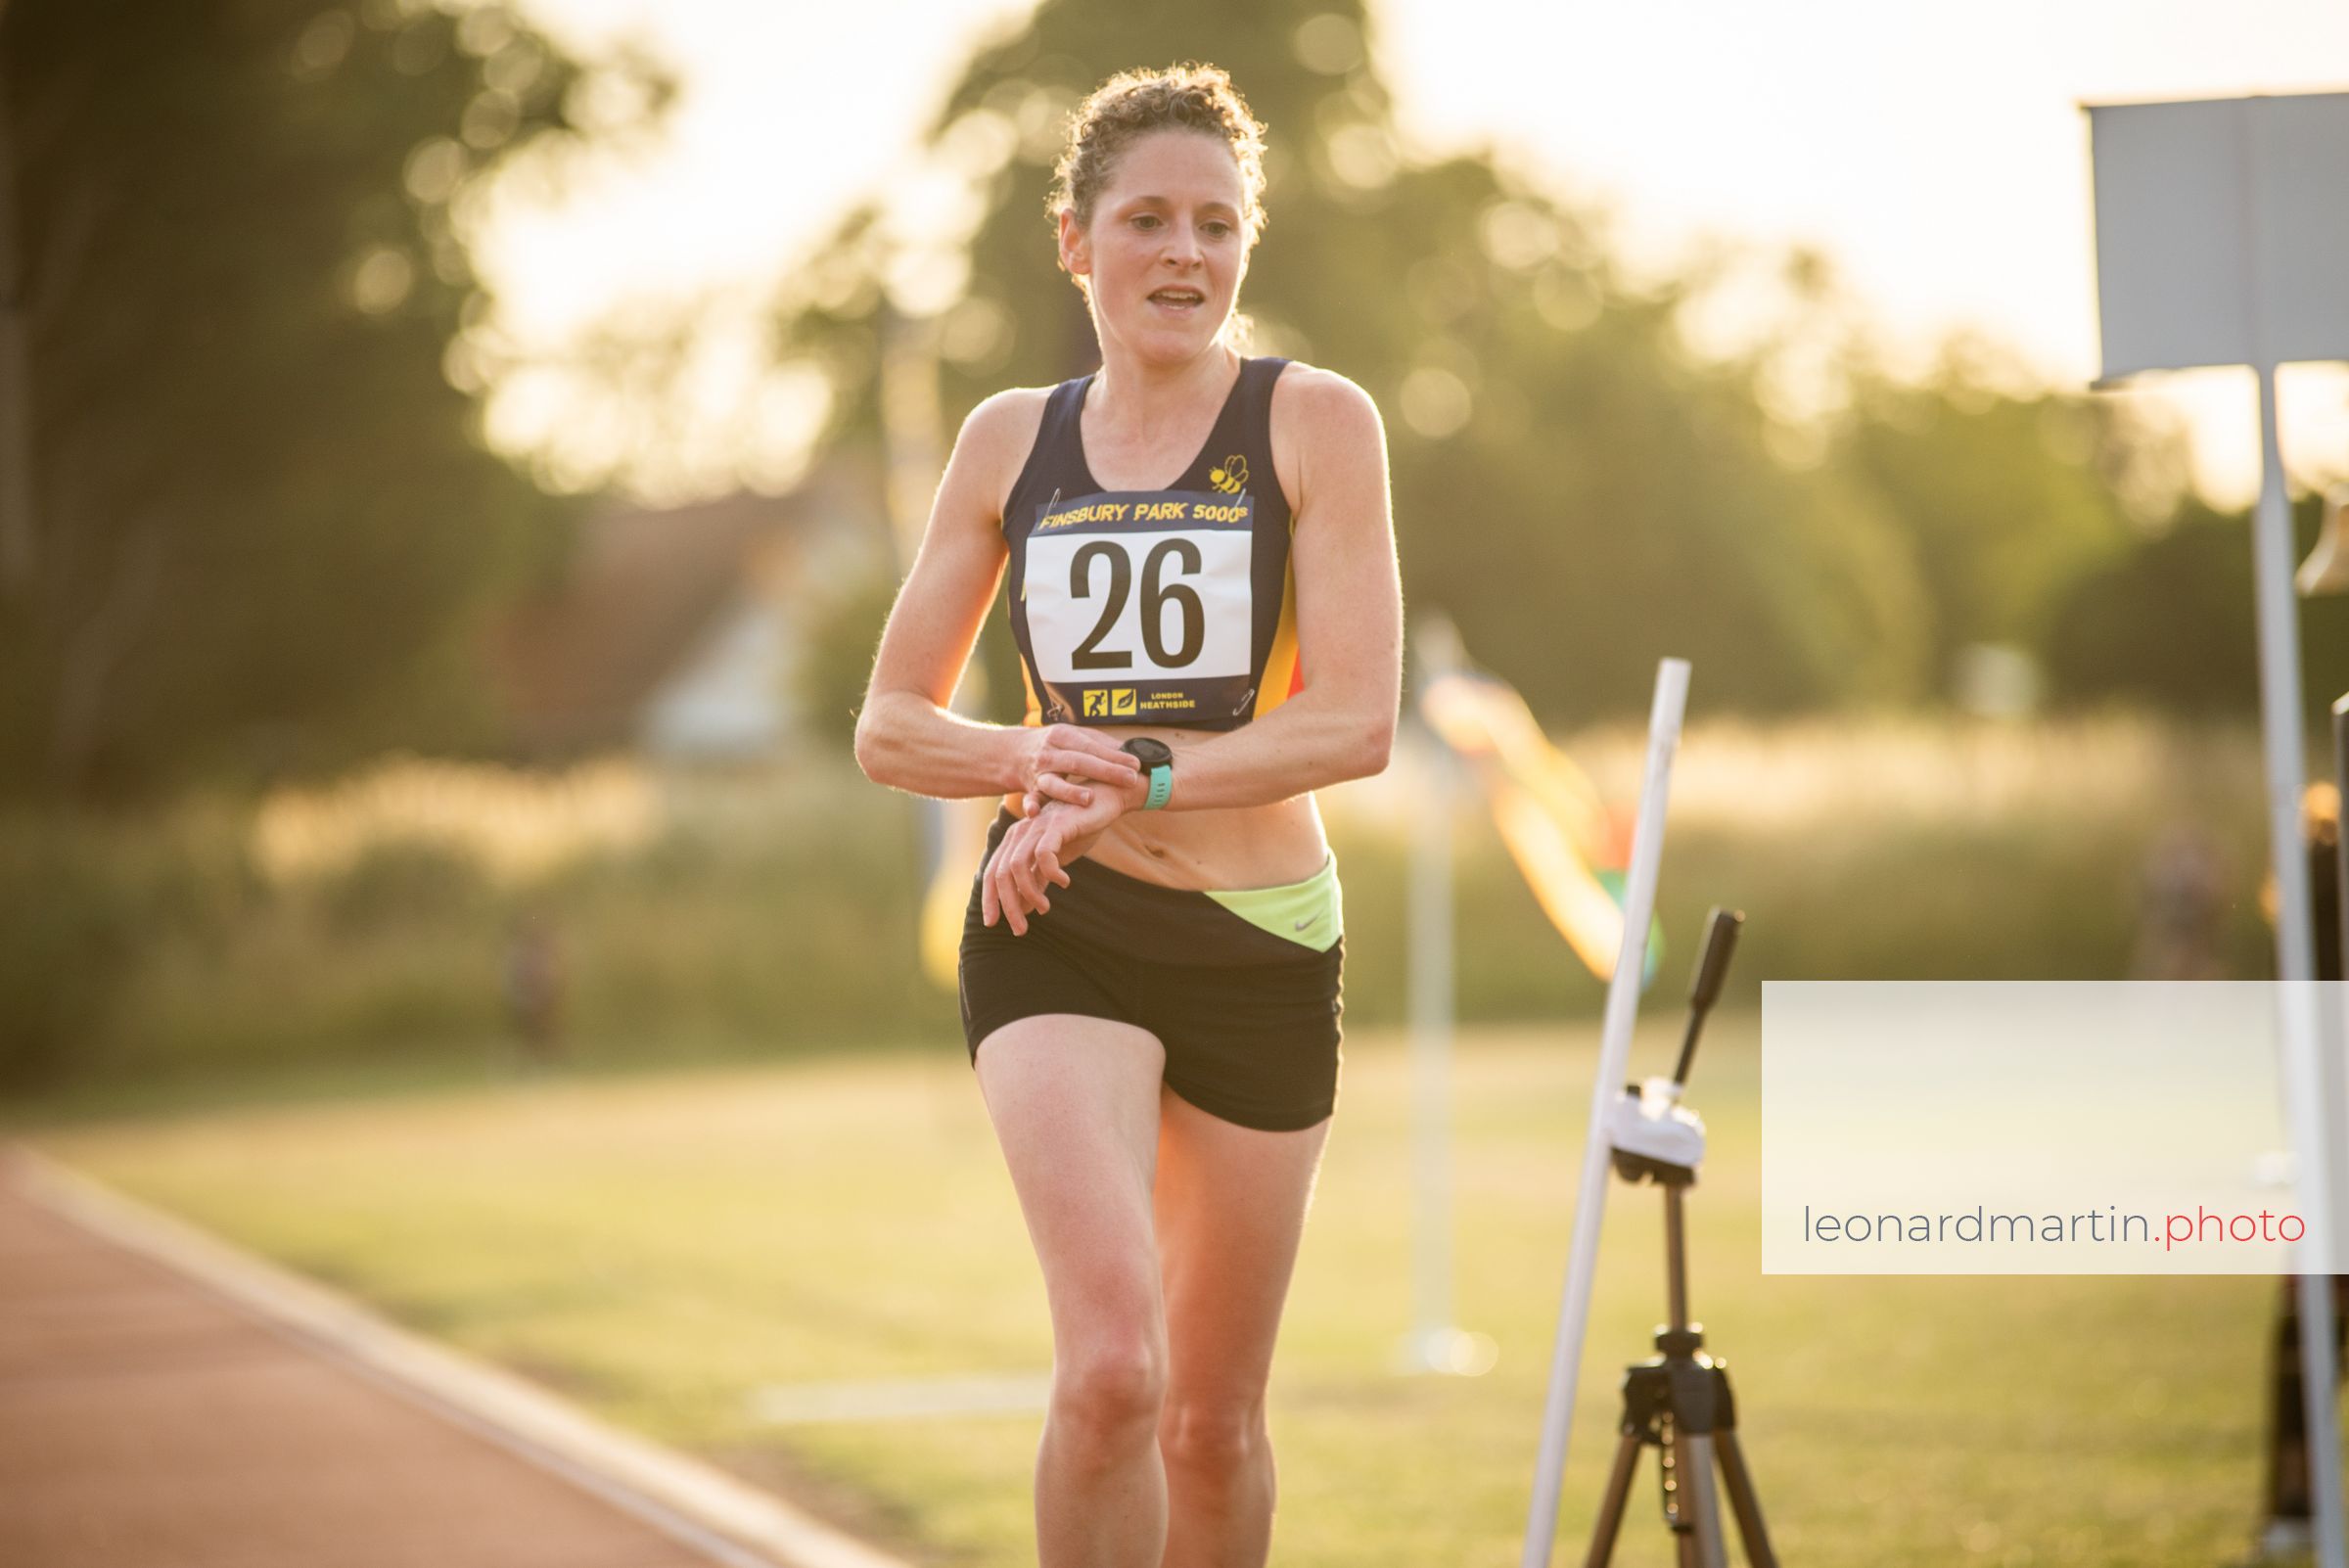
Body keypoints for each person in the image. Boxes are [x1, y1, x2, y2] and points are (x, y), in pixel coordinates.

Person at [853, 62, 1402, 1568]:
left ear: (1246, 246)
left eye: (1216, 224)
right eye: (1147, 218)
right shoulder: (1007, 440)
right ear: (1075, 239)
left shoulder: (1316, 422)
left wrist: (1138, 774)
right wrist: (1040, 760)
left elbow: (1355, 721)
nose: (1184, 252)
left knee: (1211, 1428)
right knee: (1110, 1372)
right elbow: (890, 724)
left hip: (1261, 941)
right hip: (1060, 923)